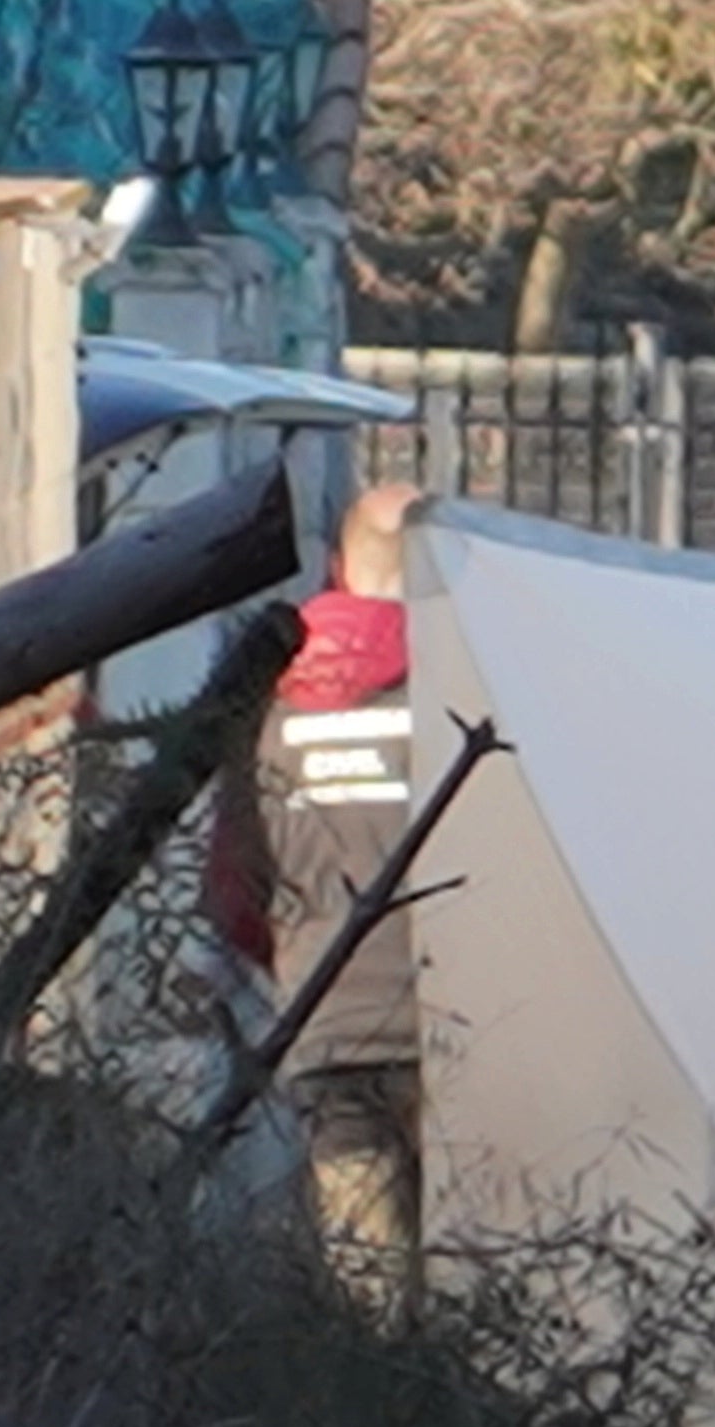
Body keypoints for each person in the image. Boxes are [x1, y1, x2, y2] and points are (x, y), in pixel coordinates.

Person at [242, 481, 426, 1300]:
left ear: (335, 567)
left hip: (326, 1029)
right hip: (446, 1031)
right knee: (479, 1304)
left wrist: (293, 961)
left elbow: (235, 881)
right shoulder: (463, 690)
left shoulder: (266, 706)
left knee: (370, 1295)